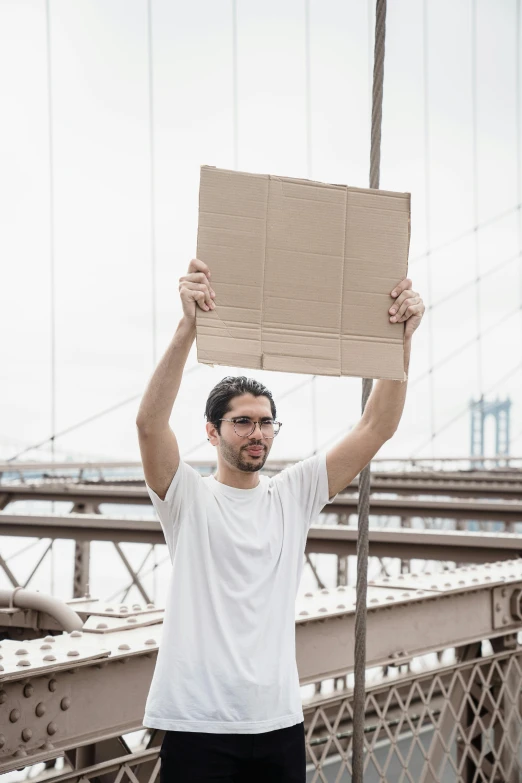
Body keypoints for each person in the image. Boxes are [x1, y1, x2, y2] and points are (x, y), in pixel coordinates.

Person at [136, 258, 425, 782]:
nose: (258, 434)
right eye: (242, 421)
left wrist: (400, 339)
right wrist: (187, 330)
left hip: (279, 723)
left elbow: (377, 425)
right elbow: (149, 424)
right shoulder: (187, 500)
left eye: (267, 422)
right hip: (197, 725)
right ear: (211, 431)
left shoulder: (293, 493)